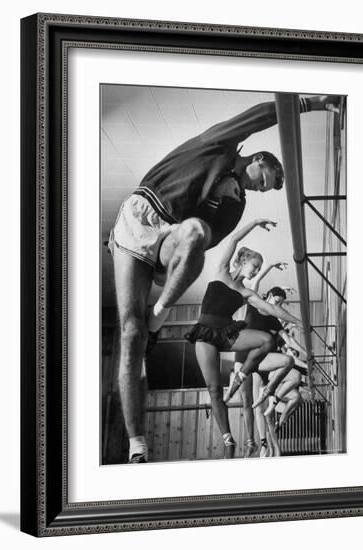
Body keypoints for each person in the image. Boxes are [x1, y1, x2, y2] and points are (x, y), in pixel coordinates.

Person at [109, 95, 338, 463]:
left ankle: (163, 310)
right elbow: (263, 114)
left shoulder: (235, 204)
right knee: (131, 334)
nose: (258, 190)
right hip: (138, 218)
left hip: (173, 242)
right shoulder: (220, 145)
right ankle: (138, 444)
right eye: (265, 181)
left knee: (197, 232)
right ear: (259, 160)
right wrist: (311, 104)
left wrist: (218, 201)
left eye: (264, 190)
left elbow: (208, 243)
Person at [184, 220, 302, 458]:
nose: (256, 271)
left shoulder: (247, 293)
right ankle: (228, 441)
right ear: (243, 261)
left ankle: (242, 373)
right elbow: (234, 239)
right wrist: (256, 222)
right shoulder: (221, 272)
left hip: (228, 333)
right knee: (215, 389)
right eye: (255, 266)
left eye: (259, 269)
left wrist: (300, 322)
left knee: (266, 341)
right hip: (205, 333)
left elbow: (274, 311)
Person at [230, 282, 307, 456]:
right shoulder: (253, 305)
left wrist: (305, 352)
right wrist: (269, 266)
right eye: (276, 301)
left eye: (280, 303)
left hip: (268, 363)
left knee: (294, 378)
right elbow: (253, 284)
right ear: (268, 296)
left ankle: (275, 444)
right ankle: (264, 443)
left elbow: (287, 339)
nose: (277, 305)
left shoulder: (274, 320)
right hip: (251, 361)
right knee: (256, 405)